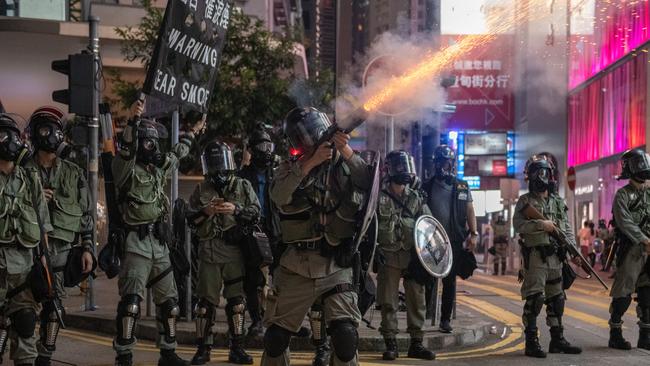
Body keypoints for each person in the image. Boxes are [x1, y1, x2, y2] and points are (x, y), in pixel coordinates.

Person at [262, 107, 371, 366]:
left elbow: (368, 182)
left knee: (345, 338)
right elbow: (278, 197)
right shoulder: (288, 168)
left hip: (336, 263)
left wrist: (345, 151)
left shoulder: (343, 163)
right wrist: (309, 163)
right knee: (275, 340)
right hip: (296, 265)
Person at [111, 100, 203, 366]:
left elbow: (178, 152)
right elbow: (126, 150)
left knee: (170, 304)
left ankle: (168, 352)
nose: (153, 147)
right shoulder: (124, 170)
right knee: (131, 305)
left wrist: (193, 132)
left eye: (155, 142)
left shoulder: (157, 170)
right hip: (136, 244)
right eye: (147, 142)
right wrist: (132, 122)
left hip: (159, 244)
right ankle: (124, 354)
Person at [24, 106, 95, 366]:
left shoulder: (73, 173)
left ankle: (44, 358)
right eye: (44, 129)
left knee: (53, 312)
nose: (50, 135)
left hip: (62, 253)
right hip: (27, 251)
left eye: (53, 129)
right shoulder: (21, 170)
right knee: (22, 314)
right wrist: (31, 199)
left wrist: (87, 248)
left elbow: (86, 214)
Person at [189, 141, 260, 365]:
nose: (218, 169)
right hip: (209, 251)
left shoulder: (242, 186)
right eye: (213, 164)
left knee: (237, 303)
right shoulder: (201, 189)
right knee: (204, 305)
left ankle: (236, 347)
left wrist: (236, 209)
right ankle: (203, 348)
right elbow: (190, 220)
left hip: (234, 251)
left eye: (221, 163)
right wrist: (206, 211)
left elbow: (256, 212)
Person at [514, 155, 582, 358]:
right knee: (535, 299)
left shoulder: (558, 202)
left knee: (557, 299)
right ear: (530, 176)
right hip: (536, 257)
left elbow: (567, 229)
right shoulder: (525, 201)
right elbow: (518, 226)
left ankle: (557, 339)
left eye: (544, 172)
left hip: (556, 258)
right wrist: (540, 225)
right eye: (538, 172)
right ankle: (531, 342)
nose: (541, 177)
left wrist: (574, 252)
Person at [0, 113, 51, 366]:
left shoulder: (30, 179)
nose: (9, 141)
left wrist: (44, 263)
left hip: (23, 264)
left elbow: (42, 226)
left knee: (26, 321)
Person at [376, 150, 435, 361]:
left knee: (417, 301)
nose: (405, 171)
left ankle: (416, 344)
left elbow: (428, 226)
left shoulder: (416, 198)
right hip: (388, 256)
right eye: (400, 167)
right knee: (388, 301)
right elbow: (369, 227)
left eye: (406, 166)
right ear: (391, 169)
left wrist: (428, 258)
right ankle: (390, 343)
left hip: (412, 256)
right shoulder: (378, 197)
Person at [422, 145, 478, 333]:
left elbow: (470, 209)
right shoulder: (427, 186)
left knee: (450, 281)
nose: (444, 165)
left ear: (453, 163)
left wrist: (474, 233)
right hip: (430, 241)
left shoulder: (461, 186)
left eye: (448, 162)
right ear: (435, 163)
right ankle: (425, 315)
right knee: (427, 279)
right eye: (441, 161)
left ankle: (445, 320)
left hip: (453, 240)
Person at [238, 125, 279, 338]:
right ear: (253, 150)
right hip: (254, 231)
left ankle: (280, 321)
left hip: (276, 231)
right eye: (262, 146)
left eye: (269, 145)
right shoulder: (242, 176)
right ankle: (256, 320)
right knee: (255, 281)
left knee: (281, 280)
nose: (267, 150)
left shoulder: (278, 173)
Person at [607, 148, 650, 351]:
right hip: (632, 249)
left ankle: (645, 336)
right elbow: (624, 221)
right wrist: (643, 239)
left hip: (649, 249)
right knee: (623, 293)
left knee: (647, 292)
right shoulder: (622, 195)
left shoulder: (648, 193)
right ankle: (615, 333)